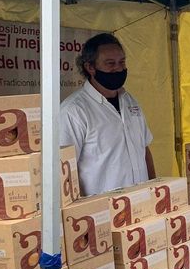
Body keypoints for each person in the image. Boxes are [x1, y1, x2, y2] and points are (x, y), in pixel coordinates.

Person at [60, 33, 155, 196]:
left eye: (122, 62)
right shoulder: (74, 111)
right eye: (110, 63)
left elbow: (144, 150)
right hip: (103, 213)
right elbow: (64, 169)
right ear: (90, 67)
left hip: (142, 205)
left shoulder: (130, 101)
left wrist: (156, 189)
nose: (118, 68)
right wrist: (85, 211)